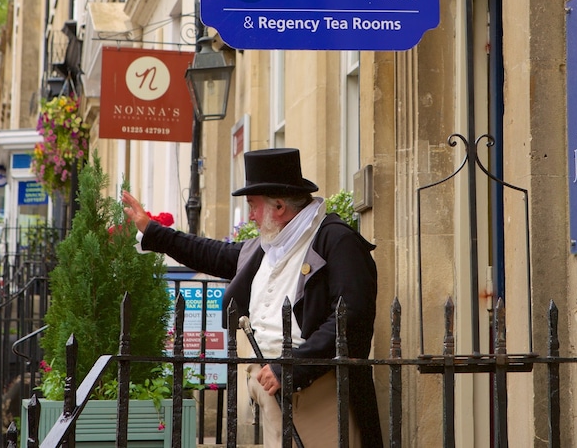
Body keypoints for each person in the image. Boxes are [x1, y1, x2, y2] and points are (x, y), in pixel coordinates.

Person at [122, 148, 382, 448]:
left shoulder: (337, 240)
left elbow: (351, 318)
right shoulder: (269, 246)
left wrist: (291, 366)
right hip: (274, 389)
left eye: (253, 206)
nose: (251, 216)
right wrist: (154, 232)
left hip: (319, 393)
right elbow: (212, 253)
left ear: (280, 206)